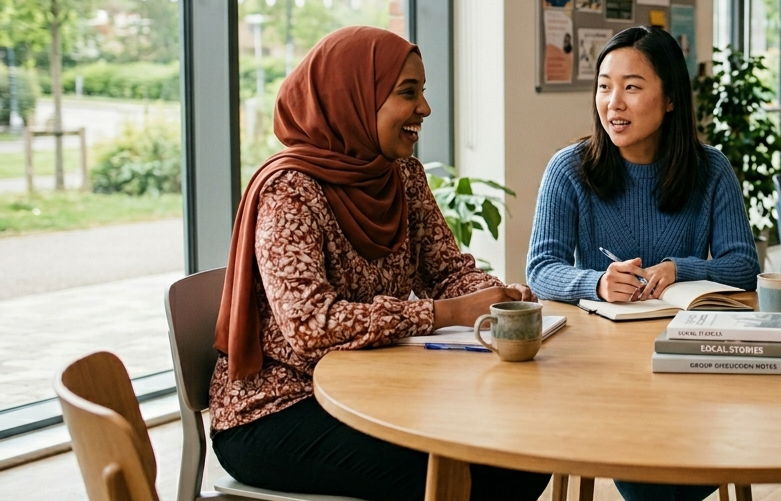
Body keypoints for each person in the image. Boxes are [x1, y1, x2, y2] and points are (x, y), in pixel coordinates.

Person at [208, 26, 550, 501]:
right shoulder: (291, 192)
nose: (425, 108)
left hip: (371, 389)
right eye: (407, 93)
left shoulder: (401, 174)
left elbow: (447, 269)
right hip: (277, 410)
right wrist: (444, 314)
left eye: (423, 92)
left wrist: (496, 299)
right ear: (350, 98)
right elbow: (311, 324)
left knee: (523, 454)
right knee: (490, 474)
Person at [526, 25, 758, 501]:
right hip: (602, 368)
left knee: (675, 472)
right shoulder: (569, 169)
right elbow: (541, 267)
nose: (614, 102)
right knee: (649, 477)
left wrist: (680, 267)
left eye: (632, 87)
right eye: (604, 86)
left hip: (690, 357)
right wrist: (595, 282)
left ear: (670, 98)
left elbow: (742, 266)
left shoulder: (711, 170)